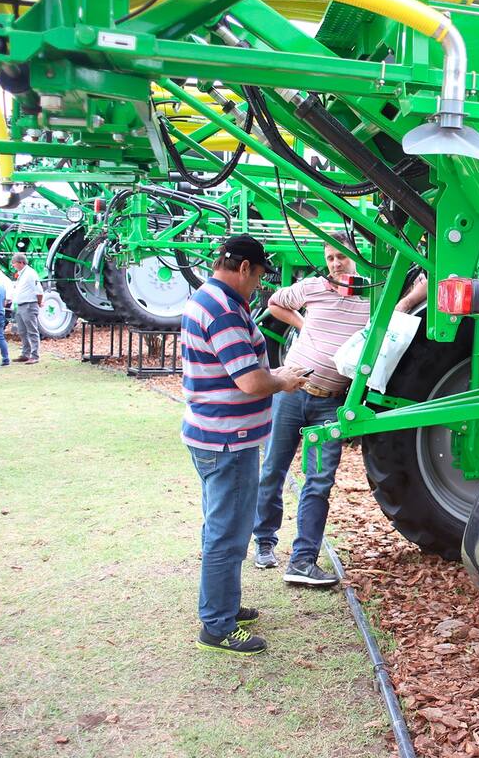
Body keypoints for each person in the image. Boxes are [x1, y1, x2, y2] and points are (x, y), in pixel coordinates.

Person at [181, 234, 308, 656]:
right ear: (243, 269)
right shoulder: (223, 311)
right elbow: (251, 381)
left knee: (222, 526)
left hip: (212, 434)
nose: (258, 285)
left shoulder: (211, 299)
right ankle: (216, 625)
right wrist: (285, 379)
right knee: (228, 534)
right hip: (228, 441)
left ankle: (225, 606)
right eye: (257, 276)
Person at [253, 233, 371, 587]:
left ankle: (303, 560)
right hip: (291, 393)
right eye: (331, 257)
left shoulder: (370, 297)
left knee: (319, 481)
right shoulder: (314, 287)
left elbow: (396, 312)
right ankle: (264, 542)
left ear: (357, 257)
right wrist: (304, 325)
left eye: (342, 257)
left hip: (331, 402)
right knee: (274, 467)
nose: (336, 263)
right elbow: (274, 302)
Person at [10, 253, 43, 364]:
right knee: (23, 331)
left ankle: (34, 355)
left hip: (29, 305)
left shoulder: (30, 274)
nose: (13, 266)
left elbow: (38, 290)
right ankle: (25, 353)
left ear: (21, 263)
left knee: (32, 330)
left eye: (14, 264)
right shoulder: (21, 274)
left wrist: (38, 302)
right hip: (21, 305)